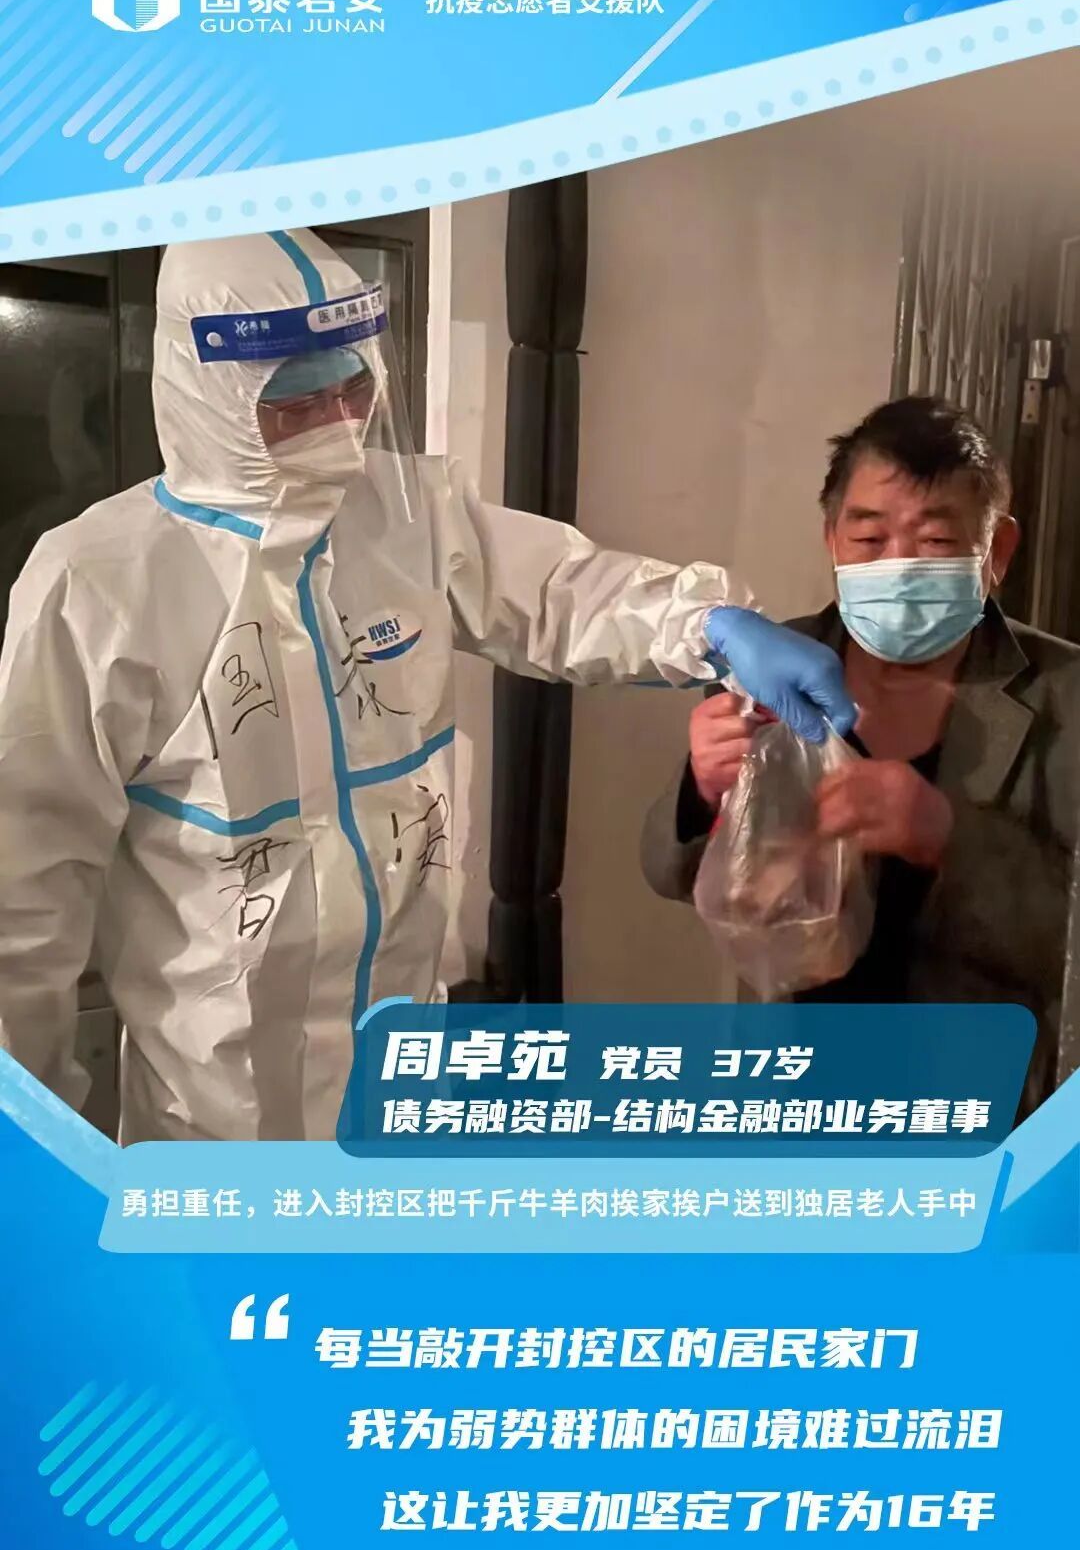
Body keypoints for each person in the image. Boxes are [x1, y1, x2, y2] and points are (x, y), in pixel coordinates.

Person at [0, 227, 853, 1143]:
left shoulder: (403, 514)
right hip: (215, 1122)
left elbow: (558, 592)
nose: (338, 423)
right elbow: (23, 901)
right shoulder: (98, 584)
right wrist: (32, 1153)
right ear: (208, 395)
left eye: (352, 388)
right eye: (294, 402)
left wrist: (709, 626)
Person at [642, 395, 1080, 1116]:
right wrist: (701, 787)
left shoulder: (1065, 697)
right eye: (870, 538)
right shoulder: (772, 665)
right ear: (832, 540)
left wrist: (948, 837)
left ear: (996, 551)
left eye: (935, 541)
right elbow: (666, 871)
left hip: (978, 1114)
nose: (898, 566)